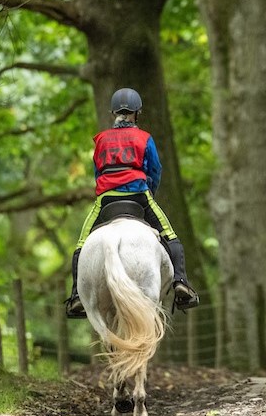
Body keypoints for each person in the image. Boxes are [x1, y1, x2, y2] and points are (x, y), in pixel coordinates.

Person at [65, 87, 199, 317]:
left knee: (81, 243)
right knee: (170, 235)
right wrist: (149, 192)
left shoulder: (101, 139)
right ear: (137, 112)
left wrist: (107, 187)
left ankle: (77, 295)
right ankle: (180, 283)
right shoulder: (144, 138)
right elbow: (155, 170)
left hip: (106, 199)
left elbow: (98, 172)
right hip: (139, 194)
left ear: (113, 112)